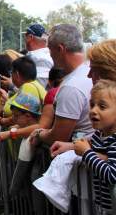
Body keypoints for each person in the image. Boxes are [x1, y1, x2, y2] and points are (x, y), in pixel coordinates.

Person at [33, 24, 94, 154]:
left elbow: (58, 136)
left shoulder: (71, 87)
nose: (49, 55)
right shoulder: (90, 71)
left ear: (60, 49)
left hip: (79, 162)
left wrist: (39, 134)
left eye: (50, 49)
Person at [74, 79, 116, 215]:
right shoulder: (99, 135)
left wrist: (87, 153)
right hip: (102, 204)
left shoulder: (114, 140)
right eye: (92, 105)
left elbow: (112, 175)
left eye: (102, 106)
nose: (93, 110)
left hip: (112, 210)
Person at [24, 24, 53, 88]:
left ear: (30, 37)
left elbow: (39, 88)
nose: (24, 38)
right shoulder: (42, 55)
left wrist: (12, 86)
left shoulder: (41, 59)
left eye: (26, 35)